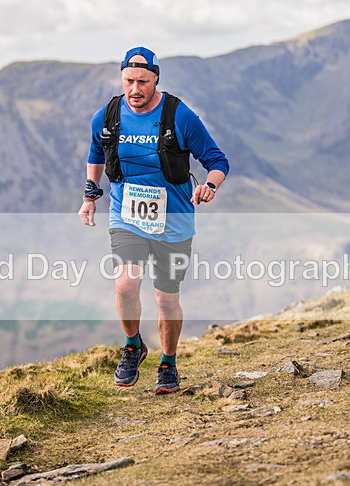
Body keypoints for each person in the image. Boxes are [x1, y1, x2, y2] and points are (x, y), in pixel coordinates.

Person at [78, 46, 229, 394]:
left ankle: (169, 363)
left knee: (166, 298)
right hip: (126, 214)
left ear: (155, 79)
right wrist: (89, 197)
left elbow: (218, 160)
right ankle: (133, 346)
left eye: (143, 82)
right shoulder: (107, 115)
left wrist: (209, 186)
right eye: (129, 80)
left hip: (173, 221)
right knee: (125, 283)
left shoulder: (181, 116)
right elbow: (96, 154)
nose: (135, 89)